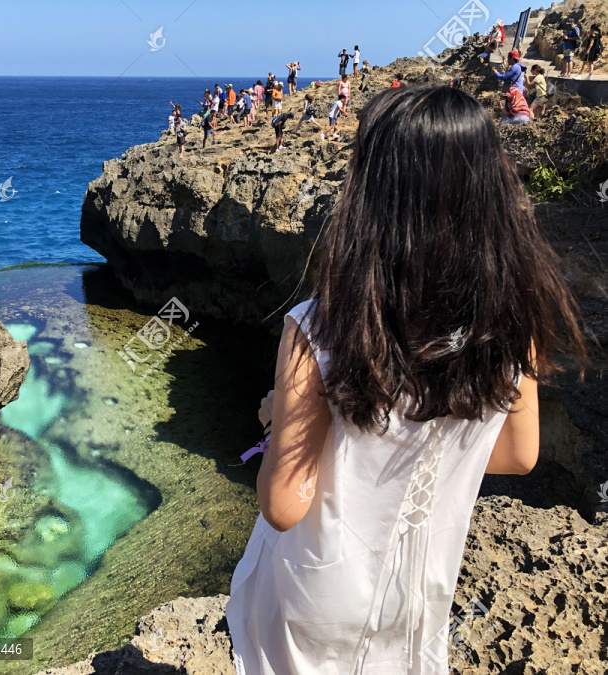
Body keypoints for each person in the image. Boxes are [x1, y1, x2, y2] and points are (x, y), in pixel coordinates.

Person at [226, 84, 586, 675]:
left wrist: (276, 422)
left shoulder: (321, 326)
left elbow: (284, 505)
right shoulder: (514, 318)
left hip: (318, 593)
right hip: (421, 590)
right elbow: (521, 456)